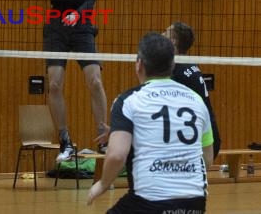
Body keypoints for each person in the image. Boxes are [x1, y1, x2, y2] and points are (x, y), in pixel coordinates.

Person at [20, 0, 108, 161]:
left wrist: (76, 15)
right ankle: (65, 141)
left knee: (94, 81)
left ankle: (103, 136)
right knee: (55, 85)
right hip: (56, 24)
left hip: (81, 25)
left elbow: (90, 1)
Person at [87, 32, 214, 214]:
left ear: (139, 64)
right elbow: (207, 159)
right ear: (172, 65)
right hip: (195, 202)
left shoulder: (128, 101)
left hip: (148, 202)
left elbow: (116, 156)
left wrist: (102, 184)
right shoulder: (196, 100)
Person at [163, 21, 221, 157]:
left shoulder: (175, 70)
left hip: (199, 141)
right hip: (207, 137)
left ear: (173, 41)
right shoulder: (189, 63)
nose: (161, 35)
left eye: (165, 32)